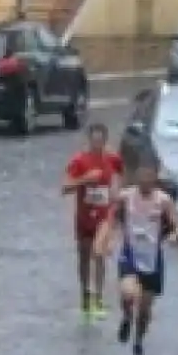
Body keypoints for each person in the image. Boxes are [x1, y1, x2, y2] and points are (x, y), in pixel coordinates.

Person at [101, 158, 178, 355]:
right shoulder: (125, 197)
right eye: (141, 175)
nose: (145, 180)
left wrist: (174, 235)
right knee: (128, 292)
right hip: (131, 255)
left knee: (145, 310)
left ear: (155, 177)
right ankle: (127, 316)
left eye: (149, 176)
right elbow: (111, 218)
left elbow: (177, 225)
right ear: (136, 176)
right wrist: (107, 240)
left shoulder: (163, 200)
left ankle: (138, 342)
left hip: (153, 259)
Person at [61, 124, 124, 321]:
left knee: (99, 255)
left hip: (104, 215)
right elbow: (65, 188)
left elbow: (122, 173)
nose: (98, 145)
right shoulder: (79, 161)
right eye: (94, 141)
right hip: (84, 217)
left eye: (101, 141)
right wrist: (84, 179)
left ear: (105, 140)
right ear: (89, 140)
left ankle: (98, 298)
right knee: (84, 256)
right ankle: (85, 296)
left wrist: (117, 193)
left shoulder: (112, 158)